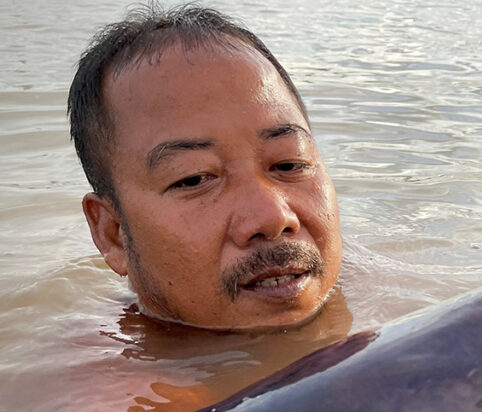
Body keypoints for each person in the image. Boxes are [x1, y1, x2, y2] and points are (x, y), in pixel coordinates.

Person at [68, 4, 343, 331]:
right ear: (113, 234)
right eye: (193, 179)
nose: (273, 217)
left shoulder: (403, 304)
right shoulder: (101, 379)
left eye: (289, 163)